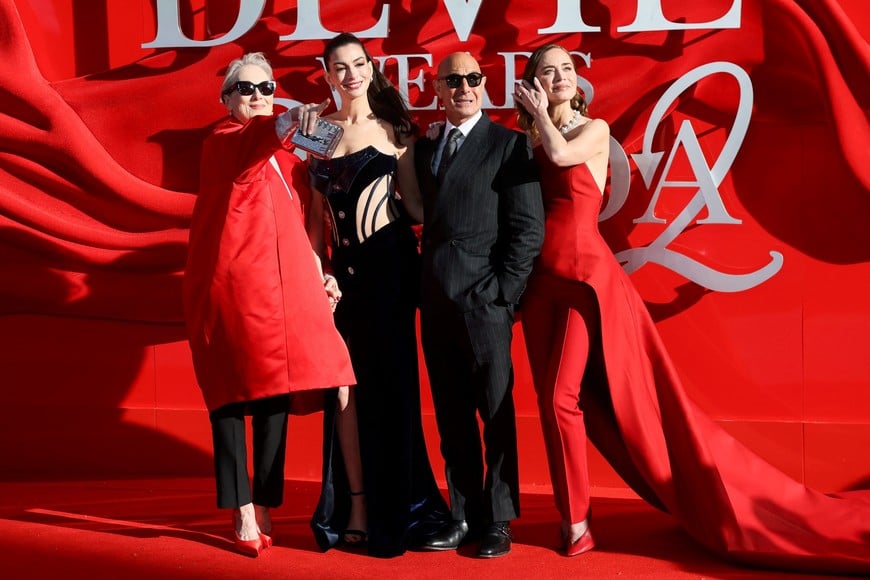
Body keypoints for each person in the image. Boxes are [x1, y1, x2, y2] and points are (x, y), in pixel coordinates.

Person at [513, 43, 870, 573]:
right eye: (549, 70)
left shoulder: (592, 130)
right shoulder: (524, 140)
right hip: (540, 282)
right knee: (552, 401)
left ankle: (578, 524)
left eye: (567, 69)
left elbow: (563, 159)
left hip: (586, 280)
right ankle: (574, 514)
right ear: (535, 80)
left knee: (562, 398)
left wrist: (540, 116)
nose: (561, 76)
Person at [183, 52, 356, 558]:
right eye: (246, 89)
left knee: (277, 395)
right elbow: (256, 139)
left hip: (288, 286)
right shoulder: (223, 141)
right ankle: (240, 511)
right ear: (226, 100)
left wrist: (320, 269)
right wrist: (285, 121)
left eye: (266, 87)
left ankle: (264, 504)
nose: (257, 96)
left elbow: (306, 218)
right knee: (234, 395)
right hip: (233, 288)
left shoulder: (289, 157)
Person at [306, 33, 450, 558]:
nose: (351, 75)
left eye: (358, 64)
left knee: (393, 390)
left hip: (391, 271)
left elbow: (412, 205)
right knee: (343, 391)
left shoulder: (394, 129)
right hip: (340, 281)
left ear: (370, 68)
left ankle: (399, 508)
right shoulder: (317, 134)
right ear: (327, 75)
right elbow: (312, 223)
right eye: (339, 68)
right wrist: (317, 277)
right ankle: (358, 507)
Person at [413, 52, 545, 558]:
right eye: (454, 80)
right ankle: (462, 514)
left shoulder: (510, 145)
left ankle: (501, 519)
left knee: (495, 411)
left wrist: (502, 296)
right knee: (451, 414)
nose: (465, 86)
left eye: (473, 78)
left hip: (485, 305)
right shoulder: (428, 149)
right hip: (436, 302)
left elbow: (528, 230)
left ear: (483, 84)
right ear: (439, 89)